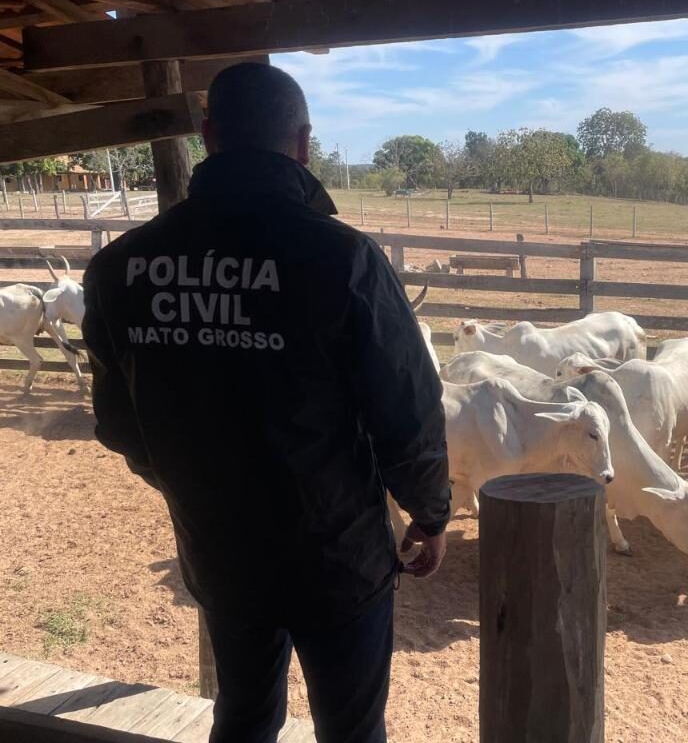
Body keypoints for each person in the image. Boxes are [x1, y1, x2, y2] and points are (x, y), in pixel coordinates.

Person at [82, 62, 450, 743]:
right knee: (352, 730)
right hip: (337, 554)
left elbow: (118, 423)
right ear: (303, 143)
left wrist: (191, 484)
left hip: (220, 552)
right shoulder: (343, 259)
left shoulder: (121, 266)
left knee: (244, 718)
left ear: (208, 134)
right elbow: (407, 408)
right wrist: (429, 513)